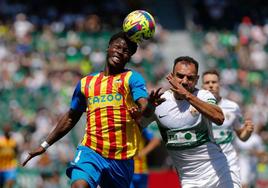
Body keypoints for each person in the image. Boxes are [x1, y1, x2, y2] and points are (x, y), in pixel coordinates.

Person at [22, 31, 159, 188]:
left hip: (121, 158)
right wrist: (44, 145)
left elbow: (144, 104)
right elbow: (71, 116)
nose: (120, 52)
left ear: (129, 57)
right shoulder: (86, 83)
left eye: (126, 51)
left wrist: (145, 108)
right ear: (108, 48)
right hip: (91, 151)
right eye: (118, 47)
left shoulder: (132, 78)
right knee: (79, 186)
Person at [137, 56, 241, 187]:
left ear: (197, 79)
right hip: (189, 180)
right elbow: (137, 125)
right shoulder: (159, 101)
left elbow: (219, 117)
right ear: (172, 76)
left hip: (218, 172)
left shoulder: (203, 96)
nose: (184, 81)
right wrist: (145, 110)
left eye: (190, 78)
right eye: (180, 76)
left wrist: (187, 95)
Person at [202, 69, 254, 187]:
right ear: (202, 85)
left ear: (219, 84)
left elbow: (242, 136)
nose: (211, 85)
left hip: (229, 162)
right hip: (206, 164)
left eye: (214, 82)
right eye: (207, 82)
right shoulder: (195, 108)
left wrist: (248, 131)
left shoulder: (232, 107)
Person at [0, 124, 18, 188]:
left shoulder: (13, 142)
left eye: (9, 130)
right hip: (1, 166)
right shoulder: (1, 141)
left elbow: (16, 152)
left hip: (10, 166)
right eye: (6, 130)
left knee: (10, 182)